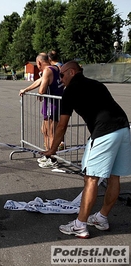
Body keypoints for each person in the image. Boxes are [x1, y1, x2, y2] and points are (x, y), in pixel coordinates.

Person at [43, 61, 131, 238]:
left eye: (61, 75)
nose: (60, 80)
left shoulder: (70, 91)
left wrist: (52, 150)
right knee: (114, 177)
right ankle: (101, 217)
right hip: (123, 128)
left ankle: (80, 225)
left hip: (105, 132)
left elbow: (61, 126)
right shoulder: (97, 84)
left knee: (91, 178)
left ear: (72, 72)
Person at [19, 53, 64, 168]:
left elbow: (41, 89)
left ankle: (52, 158)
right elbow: (39, 81)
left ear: (39, 62)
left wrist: (40, 93)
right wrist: (26, 89)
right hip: (52, 104)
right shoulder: (55, 68)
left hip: (52, 104)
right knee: (44, 130)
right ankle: (47, 154)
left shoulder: (48, 70)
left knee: (50, 132)